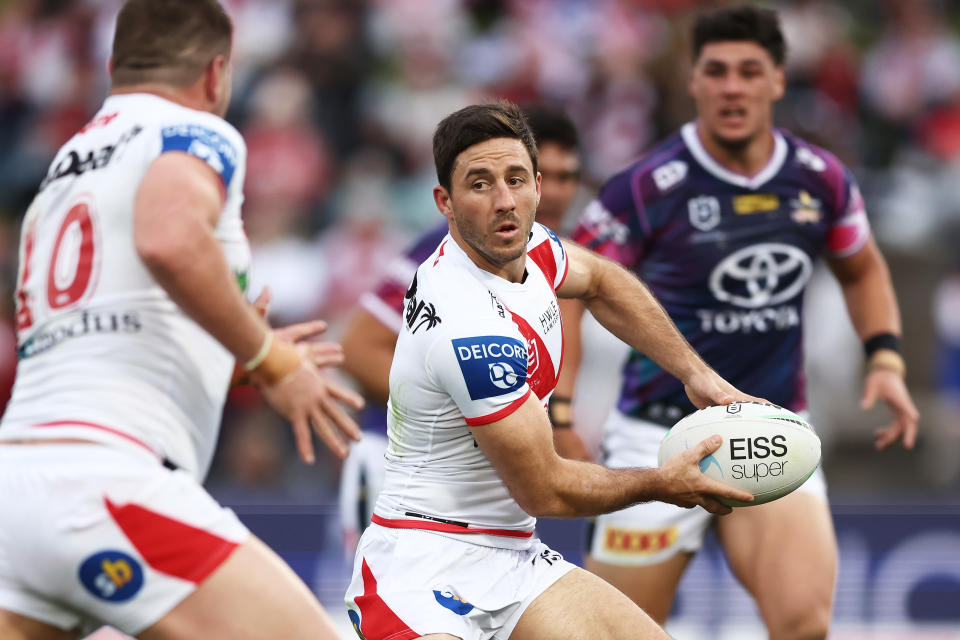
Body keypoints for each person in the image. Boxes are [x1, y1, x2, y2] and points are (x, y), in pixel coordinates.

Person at [0, 1, 363, 639]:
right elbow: (169, 239)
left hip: (16, 487)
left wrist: (228, 357)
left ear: (114, 67)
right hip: (106, 479)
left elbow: (100, 334)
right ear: (218, 73)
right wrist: (269, 359)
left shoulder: (59, 173)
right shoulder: (192, 129)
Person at [557, 6, 920, 639]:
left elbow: (861, 269)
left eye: (749, 71)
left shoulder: (820, 180)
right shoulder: (644, 187)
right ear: (692, 81)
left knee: (805, 623)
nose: (732, 87)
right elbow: (567, 290)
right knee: (616, 634)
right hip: (656, 439)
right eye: (716, 71)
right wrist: (560, 412)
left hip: (769, 428)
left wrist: (885, 359)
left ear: (778, 80)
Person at [343, 100, 759, 640]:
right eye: (480, 184)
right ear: (444, 201)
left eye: (516, 179)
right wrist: (662, 483)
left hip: (515, 559)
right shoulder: (464, 319)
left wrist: (695, 374)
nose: (504, 201)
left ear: (537, 185)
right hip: (423, 567)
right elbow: (545, 490)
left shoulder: (531, 247)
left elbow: (604, 281)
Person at [338, 105, 588, 552]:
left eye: (563, 177)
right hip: (405, 467)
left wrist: (558, 420)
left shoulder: (552, 256)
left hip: (491, 479)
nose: (555, 194)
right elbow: (358, 347)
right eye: (498, 179)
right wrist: (473, 415)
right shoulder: (451, 246)